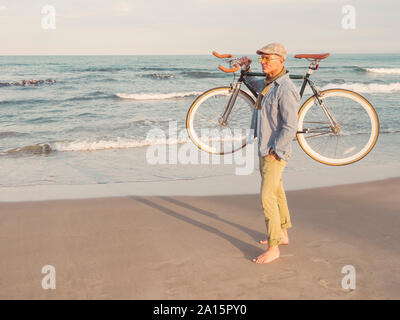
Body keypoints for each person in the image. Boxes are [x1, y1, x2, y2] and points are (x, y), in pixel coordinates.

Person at [237, 43, 300, 264]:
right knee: (277, 192)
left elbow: (291, 125)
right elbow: (254, 85)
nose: (263, 63)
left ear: (281, 61)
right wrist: (244, 70)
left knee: (267, 198)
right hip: (265, 147)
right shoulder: (269, 83)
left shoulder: (285, 88)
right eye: (261, 59)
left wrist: (277, 151)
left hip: (274, 151)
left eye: (267, 59)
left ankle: (274, 248)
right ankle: (282, 234)